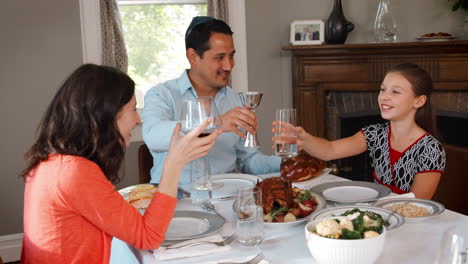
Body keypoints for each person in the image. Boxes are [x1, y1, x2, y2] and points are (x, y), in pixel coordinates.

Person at [20, 64, 220, 263]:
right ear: (105, 115)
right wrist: (174, 164)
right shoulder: (74, 173)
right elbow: (149, 237)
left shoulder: (50, 163)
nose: (138, 120)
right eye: (133, 109)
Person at [142, 16, 281, 188]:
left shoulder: (236, 100)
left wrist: (285, 162)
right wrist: (217, 123)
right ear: (193, 56)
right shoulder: (162, 94)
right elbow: (153, 136)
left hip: (225, 199)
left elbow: (249, 160)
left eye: (231, 56)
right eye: (220, 57)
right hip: (173, 201)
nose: (229, 66)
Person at [273, 63, 445, 199]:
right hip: (377, 214)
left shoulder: (430, 149)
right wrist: (303, 139)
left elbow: (417, 204)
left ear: (419, 101)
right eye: (383, 89)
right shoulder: (374, 134)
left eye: (396, 92)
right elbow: (329, 150)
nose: (384, 96)